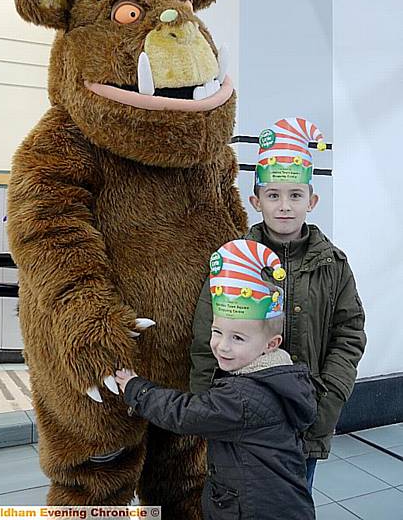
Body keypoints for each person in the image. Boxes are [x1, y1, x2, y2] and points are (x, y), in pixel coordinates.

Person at [190, 117, 367, 492]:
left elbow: (348, 335)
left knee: (292, 502)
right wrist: (208, 410)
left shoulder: (333, 265)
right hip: (242, 421)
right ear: (256, 201)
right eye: (273, 195)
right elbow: (206, 337)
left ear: (312, 200)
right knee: (241, 503)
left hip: (305, 420)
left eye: (295, 195)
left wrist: (327, 402)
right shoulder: (233, 260)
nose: (284, 206)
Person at [116, 239, 316, 520]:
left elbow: (185, 414)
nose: (222, 346)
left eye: (237, 338)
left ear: (271, 344)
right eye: (217, 332)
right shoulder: (277, 377)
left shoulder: (244, 397)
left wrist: (136, 388)